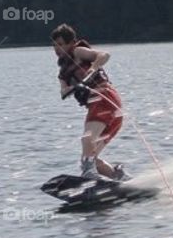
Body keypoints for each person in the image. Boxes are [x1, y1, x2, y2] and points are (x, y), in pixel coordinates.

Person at [51, 23, 126, 180]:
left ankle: (88, 174)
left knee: (87, 139)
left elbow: (103, 55)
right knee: (91, 155)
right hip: (106, 108)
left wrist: (93, 69)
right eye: (54, 45)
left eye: (60, 44)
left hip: (104, 98)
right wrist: (74, 87)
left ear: (71, 43)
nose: (57, 49)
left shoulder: (78, 51)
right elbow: (63, 91)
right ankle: (120, 178)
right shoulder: (62, 73)